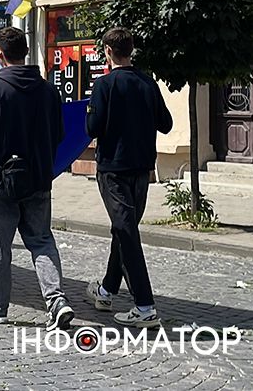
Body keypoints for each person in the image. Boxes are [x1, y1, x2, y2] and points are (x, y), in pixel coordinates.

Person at [0, 26, 73, 331]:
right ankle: (57, 301)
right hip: (38, 178)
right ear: (25, 52)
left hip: (0, 179)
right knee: (41, 241)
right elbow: (59, 134)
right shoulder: (49, 90)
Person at [84, 27, 173, 329]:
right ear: (131, 50)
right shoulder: (148, 83)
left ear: (108, 52)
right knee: (125, 229)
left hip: (113, 169)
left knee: (126, 232)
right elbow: (167, 124)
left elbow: (92, 127)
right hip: (142, 169)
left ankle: (145, 306)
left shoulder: (104, 85)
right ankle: (107, 291)